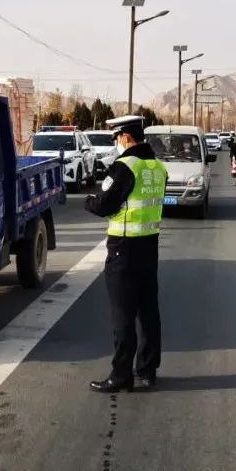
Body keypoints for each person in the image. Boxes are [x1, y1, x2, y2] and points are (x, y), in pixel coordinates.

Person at [84, 115, 168, 393]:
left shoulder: (124, 166)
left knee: (122, 315)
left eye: (117, 138)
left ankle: (121, 375)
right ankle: (147, 369)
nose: (117, 143)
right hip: (149, 246)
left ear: (126, 137)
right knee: (149, 312)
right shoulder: (157, 167)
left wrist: (89, 201)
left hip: (124, 249)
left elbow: (104, 205)